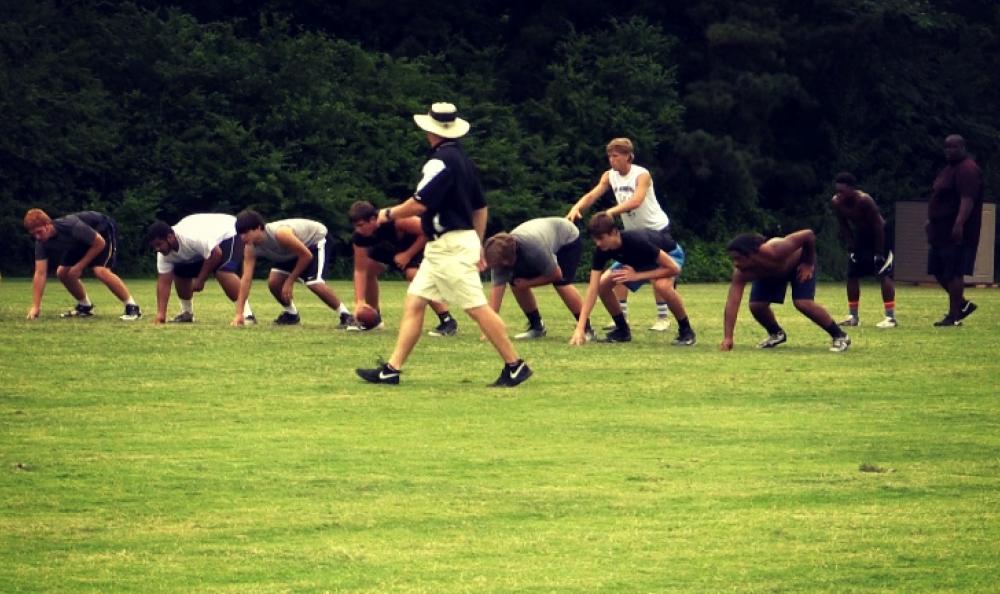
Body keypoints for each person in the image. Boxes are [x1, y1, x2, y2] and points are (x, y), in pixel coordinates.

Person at [356, 102, 532, 387]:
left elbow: (418, 203)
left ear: (430, 130)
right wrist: (476, 241)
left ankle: (515, 365)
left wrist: (387, 214)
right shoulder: (463, 160)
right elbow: (480, 207)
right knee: (414, 303)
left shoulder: (440, 162)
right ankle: (392, 369)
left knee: (477, 308)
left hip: (450, 246)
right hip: (445, 247)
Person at [567, 137, 681, 332]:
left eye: (616, 156)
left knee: (659, 277)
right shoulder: (609, 176)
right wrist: (577, 207)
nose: (612, 160)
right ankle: (621, 317)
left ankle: (663, 317)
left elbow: (636, 201)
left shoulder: (641, 174)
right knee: (620, 271)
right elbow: (593, 195)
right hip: (633, 233)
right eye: (610, 156)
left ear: (629, 156)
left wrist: (609, 213)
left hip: (656, 229)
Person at [568, 213, 695, 346]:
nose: (598, 243)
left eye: (601, 238)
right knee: (602, 284)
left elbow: (674, 269)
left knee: (662, 286)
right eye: (595, 239)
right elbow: (592, 289)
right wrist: (580, 328)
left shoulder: (637, 241)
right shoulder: (602, 249)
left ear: (614, 232)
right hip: (637, 261)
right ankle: (622, 331)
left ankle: (686, 331)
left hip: (669, 256)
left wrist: (637, 276)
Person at [720, 230, 851, 352]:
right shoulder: (742, 273)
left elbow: (808, 235)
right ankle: (776, 333)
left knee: (803, 303)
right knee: (757, 306)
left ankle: (839, 335)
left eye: (738, 258)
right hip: (772, 273)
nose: (735, 264)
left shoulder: (776, 249)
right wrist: (728, 337)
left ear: (752, 254)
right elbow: (733, 302)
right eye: (733, 259)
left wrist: (808, 263)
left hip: (799, 264)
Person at [348, 200, 457, 335]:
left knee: (413, 274)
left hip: (417, 246)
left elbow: (428, 231)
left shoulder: (395, 220)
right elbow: (360, 270)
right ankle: (374, 318)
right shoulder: (359, 237)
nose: (358, 230)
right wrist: (360, 302)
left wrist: (408, 254)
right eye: (355, 226)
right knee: (369, 267)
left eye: (361, 225)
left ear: (372, 219)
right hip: (393, 250)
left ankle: (447, 320)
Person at [231, 210, 354, 327]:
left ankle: (346, 315)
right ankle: (291, 315)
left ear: (258, 227)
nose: (243, 237)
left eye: (246, 232)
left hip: (314, 242)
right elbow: (246, 279)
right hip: (292, 252)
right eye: (240, 234)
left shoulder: (280, 234)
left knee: (314, 282)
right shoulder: (249, 248)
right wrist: (239, 314)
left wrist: (289, 282)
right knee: (274, 282)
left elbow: (306, 256)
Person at [483, 216, 593, 340]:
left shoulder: (533, 248)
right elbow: (496, 294)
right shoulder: (500, 253)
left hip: (567, 238)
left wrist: (528, 283)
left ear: (509, 259)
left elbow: (556, 274)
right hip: (542, 239)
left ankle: (586, 328)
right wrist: (489, 329)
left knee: (561, 283)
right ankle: (537, 327)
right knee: (516, 282)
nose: (498, 268)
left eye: (500, 265)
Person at [23, 208, 141, 320]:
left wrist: (79, 267)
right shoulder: (41, 242)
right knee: (62, 273)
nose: (37, 237)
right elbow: (40, 272)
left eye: (39, 232)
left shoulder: (70, 225)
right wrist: (36, 306)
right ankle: (85, 307)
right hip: (78, 242)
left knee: (100, 270)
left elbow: (99, 243)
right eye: (33, 234)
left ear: (48, 224)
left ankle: (132, 307)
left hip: (102, 231)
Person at [147, 214, 255, 324]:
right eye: (154, 247)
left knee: (223, 271)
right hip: (209, 244)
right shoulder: (163, 254)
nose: (157, 249)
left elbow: (216, 254)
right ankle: (186, 313)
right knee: (180, 271)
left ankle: (247, 315)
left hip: (229, 233)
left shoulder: (190, 237)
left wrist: (200, 280)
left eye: (159, 245)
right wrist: (161, 315)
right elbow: (164, 282)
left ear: (170, 237)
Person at [926, 134, 985, 326]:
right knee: (937, 269)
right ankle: (962, 305)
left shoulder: (967, 169)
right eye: (947, 147)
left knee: (953, 271)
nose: (949, 151)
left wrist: (959, 224)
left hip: (956, 229)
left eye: (954, 147)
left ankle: (954, 315)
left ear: (963, 147)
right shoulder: (949, 169)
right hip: (940, 228)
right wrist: (931, 220)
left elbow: (967, 199)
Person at [830, 172, 897, 328]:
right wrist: (851, 247)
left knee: (883, 273)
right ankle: (853, 316)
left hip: (880, 235)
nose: (839, 195)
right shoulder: (836, 202)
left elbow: (878, 226)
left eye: (842, 191)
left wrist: (879, 252)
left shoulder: (864, 200)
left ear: (852, 189)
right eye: (837, 191)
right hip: (861, 236)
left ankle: (890, 318)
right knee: (852, 274)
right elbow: (844, 225)